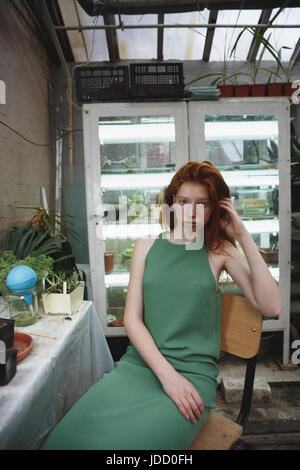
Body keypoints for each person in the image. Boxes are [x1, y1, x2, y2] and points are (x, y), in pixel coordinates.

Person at [40, 161, 281, 450]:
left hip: (192, 376)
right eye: (184, 201)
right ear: (171, 203)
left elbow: (271, 307)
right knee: (63, 440)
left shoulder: (219, 250)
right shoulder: (147, 245)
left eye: (203, 204)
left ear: (216, 208)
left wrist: (241, 234)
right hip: (141, 365)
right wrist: (167, 377)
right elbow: (132, 320)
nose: (191, 212)